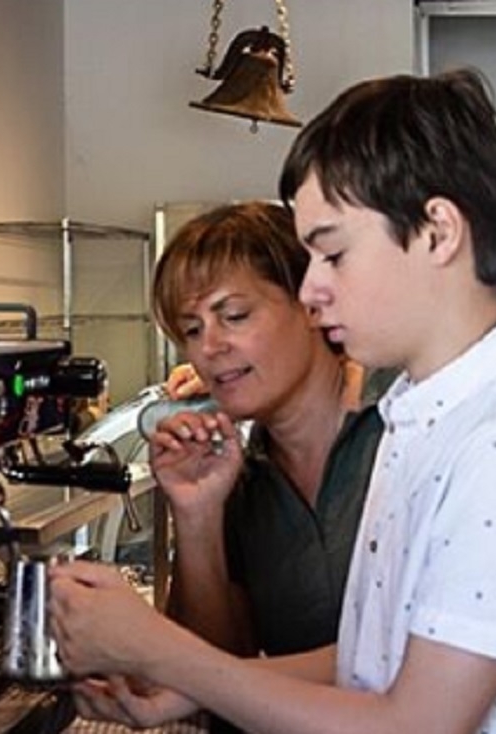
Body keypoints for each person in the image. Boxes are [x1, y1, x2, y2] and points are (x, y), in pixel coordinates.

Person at [49, 67, 496, 733]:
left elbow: (414, 726)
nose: (311, 291)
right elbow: (376, 657)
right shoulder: (424, 413)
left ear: (438, 232)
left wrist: (155, 649)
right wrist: (184, 686)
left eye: (333, 255)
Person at [146, 201, 382, 661]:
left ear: (310, 303)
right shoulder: (238, 480)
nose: (209, 347)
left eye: (234, 316)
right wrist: (197, 516)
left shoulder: (401, 425)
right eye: (192, 329)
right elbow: (213, 670)